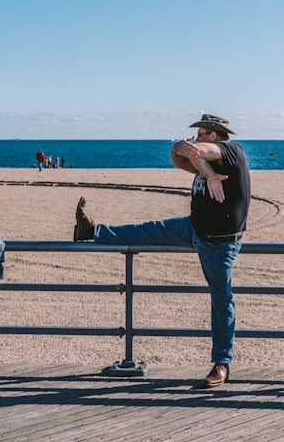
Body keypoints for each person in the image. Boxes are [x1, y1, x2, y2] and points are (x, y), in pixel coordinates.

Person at [73, 113, 251, 389]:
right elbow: (179, 153)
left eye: (202, 133)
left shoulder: (231, 152)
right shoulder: (206, 162)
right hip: (193, 229)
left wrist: (205, 161)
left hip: (219, 243)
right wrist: (208, 173)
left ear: (214, 135)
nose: (198, 137)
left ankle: (222, 363)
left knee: (221, 300)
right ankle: (92, 231)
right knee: (146, 230)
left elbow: (197, 149)